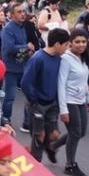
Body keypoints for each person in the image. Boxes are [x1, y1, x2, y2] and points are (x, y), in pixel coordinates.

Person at [47, 29, 89, 176]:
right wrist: (63, 109)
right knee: (75, 133)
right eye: (77, 42)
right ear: (70, 43)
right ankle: (70, 165)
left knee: (81, 132)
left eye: (84, 41)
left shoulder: (83, 58)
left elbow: (84, 81)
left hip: (80, 100)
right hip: (69, 101)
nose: (81, 45)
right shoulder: (66, 59)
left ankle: (53, 146)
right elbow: (61, 84)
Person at [21, 28, 70, 162]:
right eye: (66, 45)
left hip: (52, 103)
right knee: (39, 136)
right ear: (57, 44)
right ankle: (36, 166)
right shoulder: (38, 58)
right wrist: (34, 101)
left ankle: (50, 149)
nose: (67, 48)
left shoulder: (59, 59)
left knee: (53, 134)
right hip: (37, 105)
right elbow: (26, 83)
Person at [0, 3, 33, 127]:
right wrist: (26, 47)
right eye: (19, 12)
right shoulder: (7, 29)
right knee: (10, 96)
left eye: (23, 11)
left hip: (24, 65)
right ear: (12, 15)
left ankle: (27, 121)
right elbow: (10, 48)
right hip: (11, 68)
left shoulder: (23, 27)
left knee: (30, 95)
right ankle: (5, 119)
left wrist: (28, 52)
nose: (23, 14)